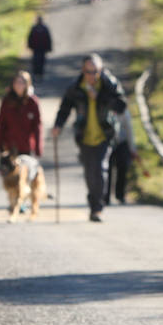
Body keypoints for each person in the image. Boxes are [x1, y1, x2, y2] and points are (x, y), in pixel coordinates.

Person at [51, 53, 127, 222]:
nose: (92, 76)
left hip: (105, 134)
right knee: (89, 173)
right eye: (88, 71)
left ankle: (97, 208)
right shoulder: (76, 86)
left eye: (95, 72)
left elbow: (121, 105)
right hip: (84, 135)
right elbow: (65, 108)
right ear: (83, 70)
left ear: (101, 70)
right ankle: (93, 200)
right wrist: (58, 125)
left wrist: (99, 97)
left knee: (100, 169)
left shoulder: (110, 84)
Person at [0, 70, 43, 161]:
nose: (19, 85)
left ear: (27, 85)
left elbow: (37, 126)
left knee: (25, 173)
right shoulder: (6, 101)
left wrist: (38, 148)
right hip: (9, 146)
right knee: (10, 173)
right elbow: (0, 125)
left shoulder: (32, 102)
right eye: (16, 82)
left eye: (22, 83)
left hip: (26, 146)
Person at [105, 105, 140, 206]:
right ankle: (105, 197)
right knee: (107, 169)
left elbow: (129, 130)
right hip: (107, 142)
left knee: (123, 167)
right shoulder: (104, 108)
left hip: (122, 143)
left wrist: (132, 149)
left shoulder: (124, 111)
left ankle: (120, 195)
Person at [27, 16, 53, 82]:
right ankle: (36, 74)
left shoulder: (45, 28)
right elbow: (30, 38)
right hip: (35, 49)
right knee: (35, 62)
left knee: (42, 62)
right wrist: (30, 46)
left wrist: (49, 47)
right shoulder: (34, 28)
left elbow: (48, 39)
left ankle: (40, 75)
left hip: (42, 49)